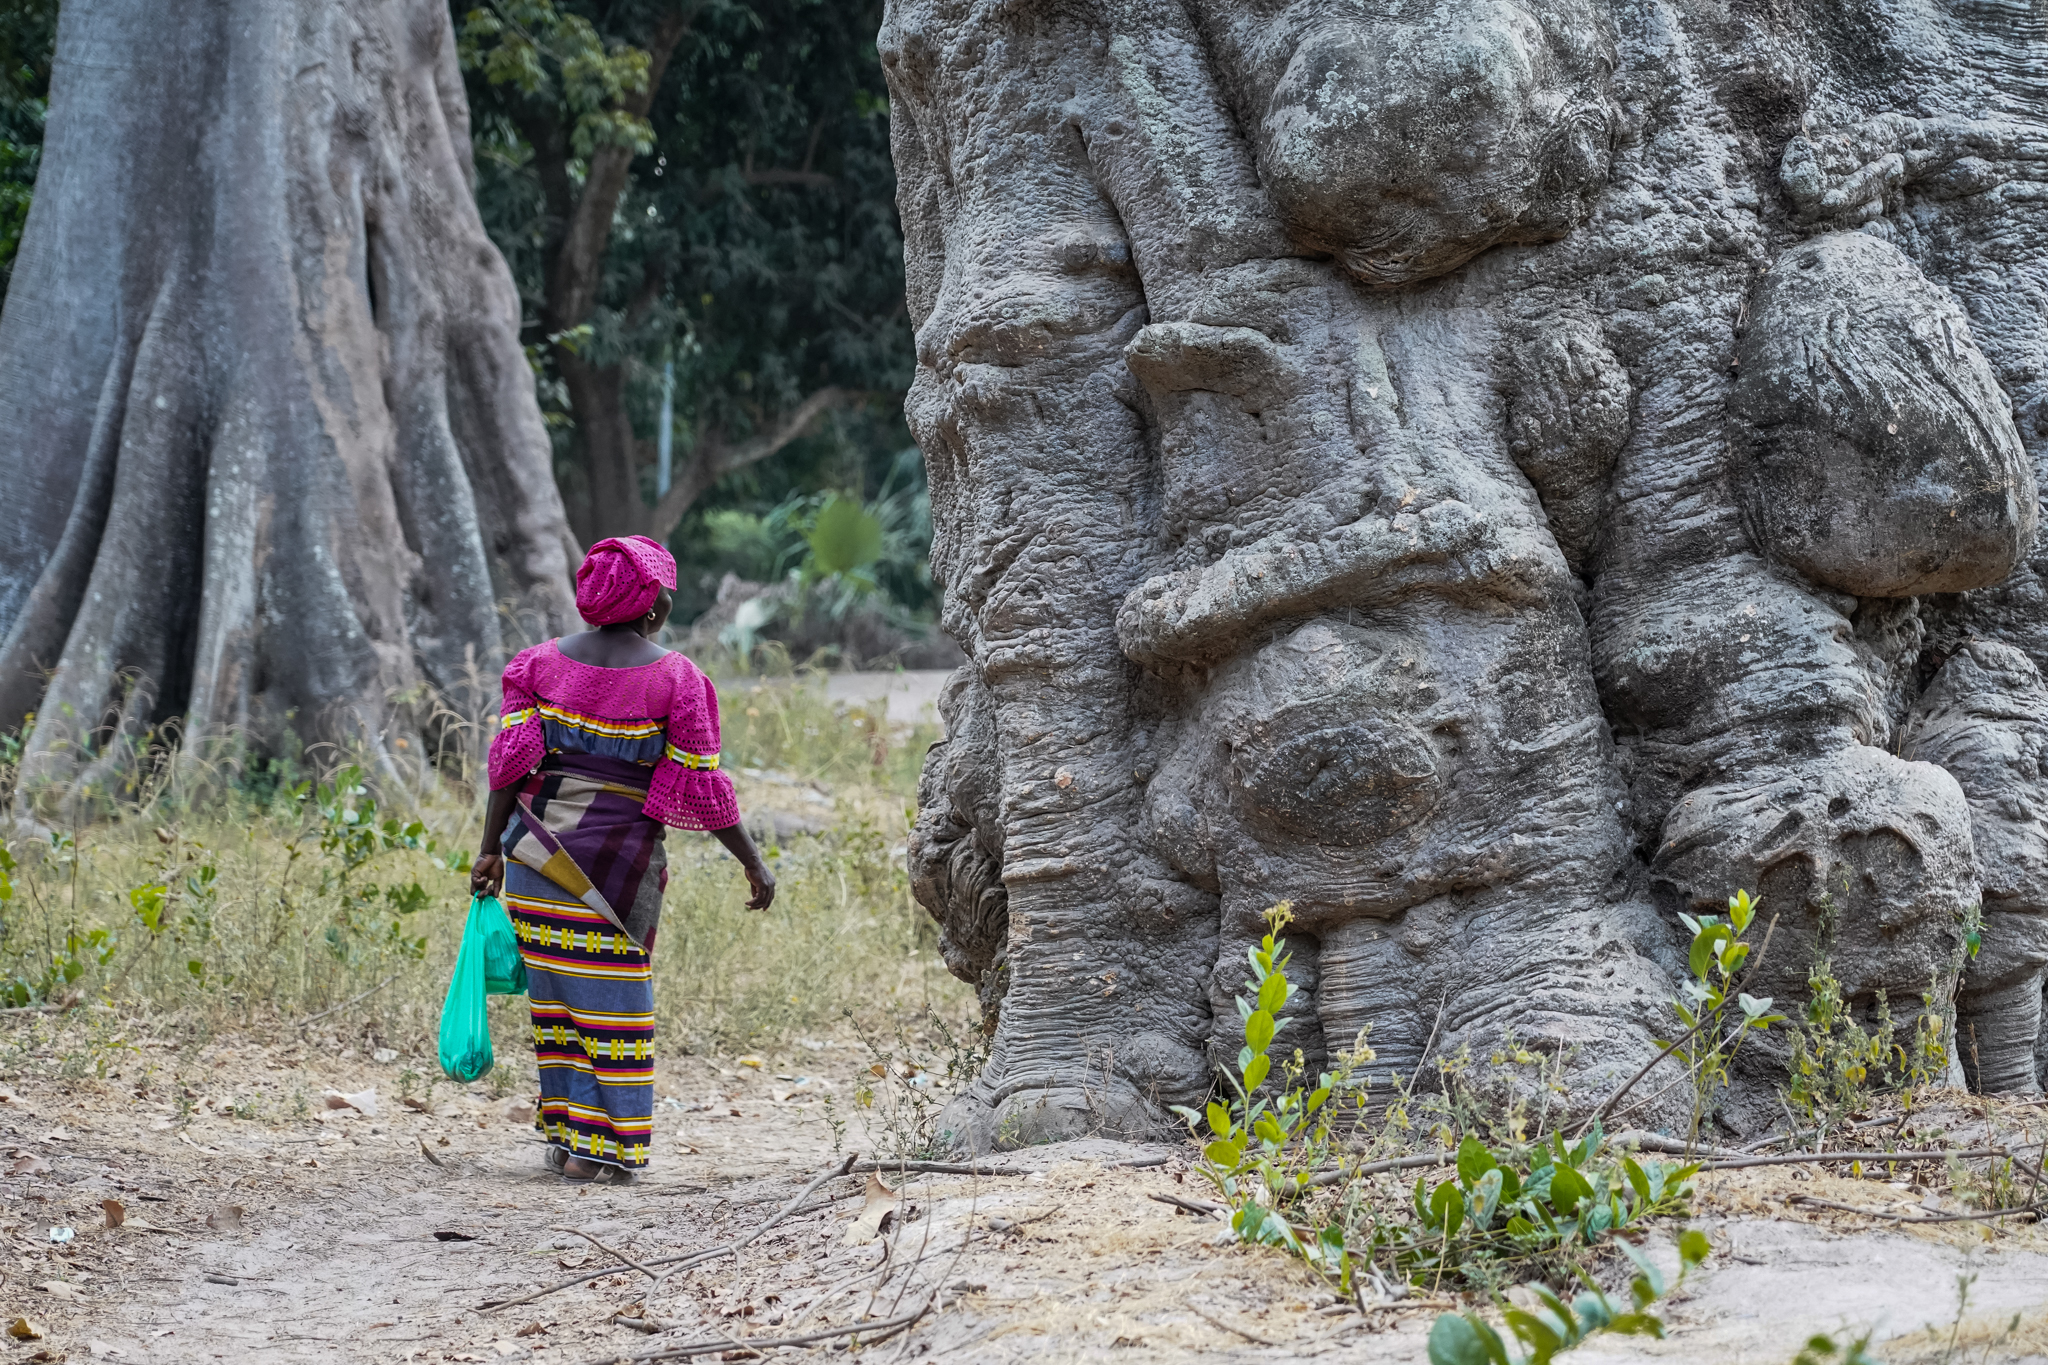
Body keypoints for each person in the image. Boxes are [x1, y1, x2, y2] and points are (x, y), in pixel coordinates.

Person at [470, 534, 775, 1184]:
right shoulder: (677, 679)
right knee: (615, 1006)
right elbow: (701, 785)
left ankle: (569, 1138)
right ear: (655, 606)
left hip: (533, 856)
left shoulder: (535, 665)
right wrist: (752, 860)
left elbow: (508, 766)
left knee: (557, 1006)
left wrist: (489, 848)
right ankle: (604, 1146)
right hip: (619, 865)